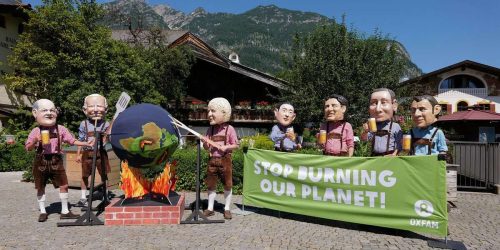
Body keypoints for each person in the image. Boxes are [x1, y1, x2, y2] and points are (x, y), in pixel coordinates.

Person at [25, 99, 93, 222]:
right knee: (40, 186)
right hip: (41, 160)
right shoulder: (36, 131)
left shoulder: (60, 129)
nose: (49, 113)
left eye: (52, 110)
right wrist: (35, 141)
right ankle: (43, 211)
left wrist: (85, 143)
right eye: (45, 110)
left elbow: (72, 141)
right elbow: (28, 148)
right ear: (35, 113)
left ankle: (65, 211)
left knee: (64, 185)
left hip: (56, 159)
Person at [200, 97, 239, 220]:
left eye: (213, 111)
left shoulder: (229, 129)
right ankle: (210, 208)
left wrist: (226, 147)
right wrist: (205, 142)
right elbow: (206, 148)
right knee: (211, 184)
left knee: (227, 184)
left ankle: (227, 209)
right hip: (212, 161)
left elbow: (236, 145)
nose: (209, 114)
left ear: (224, 113)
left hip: (225, 161)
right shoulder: (210, 129)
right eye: (209, 111)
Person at [75, 94, 111, 207]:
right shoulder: (84, 124)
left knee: (104, 175)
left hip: (101, 153)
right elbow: (80, 140)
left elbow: (107, 139)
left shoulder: (107, 124)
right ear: (85, 110)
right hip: (87, 152)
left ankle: (106, 195)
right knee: (85, 175)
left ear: (106, 109)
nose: (95, 110)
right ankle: (82, 197)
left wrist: (107, 135)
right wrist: (78, 154)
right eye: (92, 106)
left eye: (99, 106)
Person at [362, 88, 403, 156]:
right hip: (375, 156)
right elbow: (364, 140)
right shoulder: (373, 126)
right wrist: (365, 132)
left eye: (384, 102)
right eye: (374, 103)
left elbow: (399, 142)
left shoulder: (395, 126)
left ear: (394, 106)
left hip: (389, 157)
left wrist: (394, 154)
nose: (378, 109)